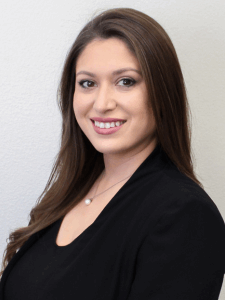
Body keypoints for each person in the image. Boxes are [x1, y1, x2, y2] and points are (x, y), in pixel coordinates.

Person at [0, 7, 225, 300]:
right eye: (88, 83)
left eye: (126, 81)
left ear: (162, 91)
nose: (101, 103)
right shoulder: (69, 191)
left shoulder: (185, 216)